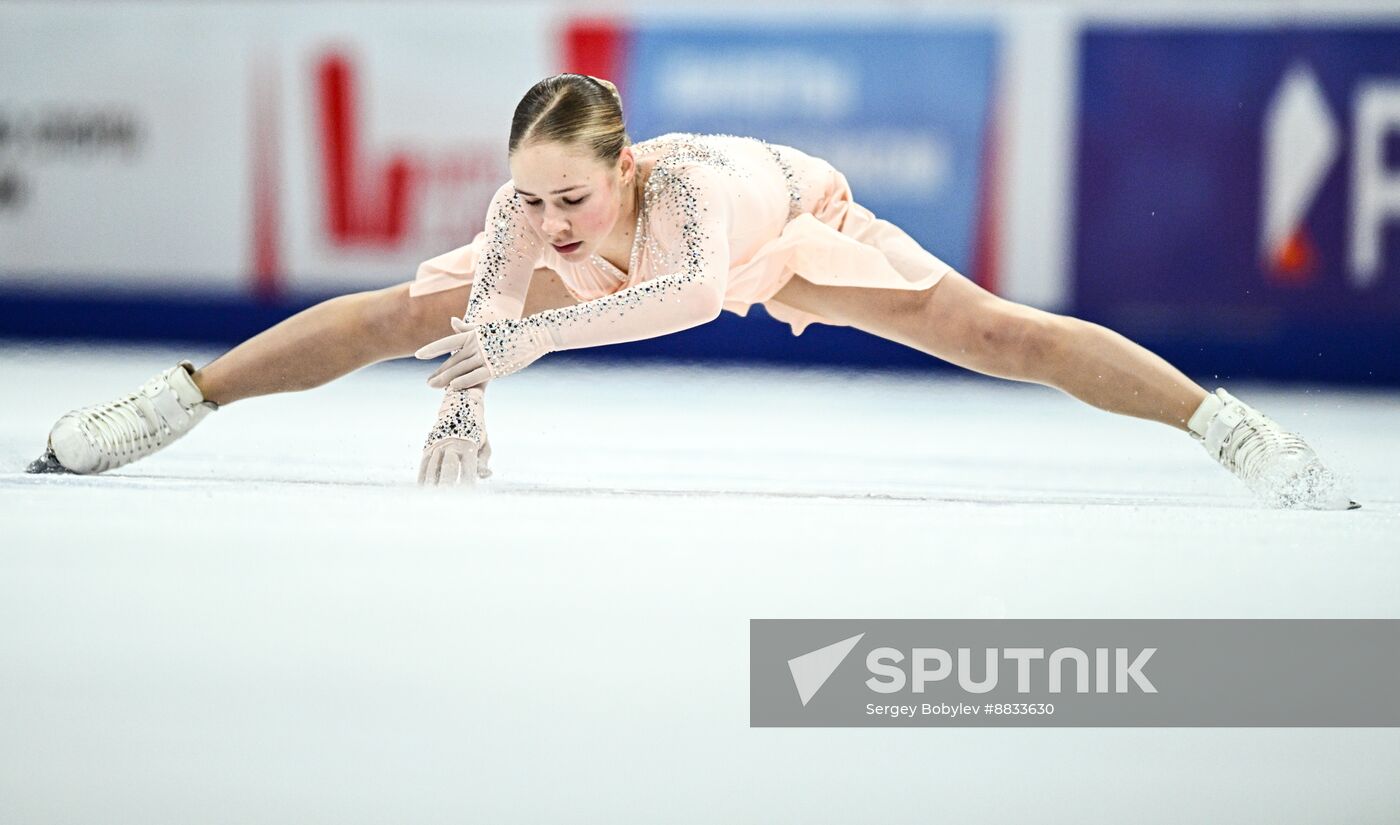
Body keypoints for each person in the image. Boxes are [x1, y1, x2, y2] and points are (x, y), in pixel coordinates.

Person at [26, 74, 1356, 509]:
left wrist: (525, 333)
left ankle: (1224, 424)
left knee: (992, 330)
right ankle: (178, 399)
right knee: (393, 313)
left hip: (796, 224)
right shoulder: (530, 210)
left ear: (622, 167)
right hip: (670, 258)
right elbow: (486, 317)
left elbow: (678, 302)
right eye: (529, 199)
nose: (547, 221)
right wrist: (466, 411)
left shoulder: (689, 202)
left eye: (571, 200)